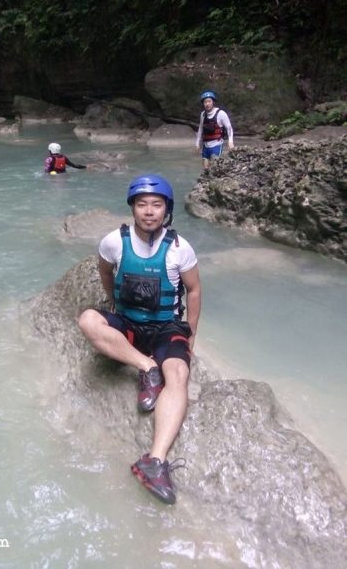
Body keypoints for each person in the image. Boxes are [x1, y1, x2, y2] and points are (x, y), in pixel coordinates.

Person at [78, 174, 201, 505]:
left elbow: (194, 289)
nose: (149, 211)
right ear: (133, 208)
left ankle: (154, 460)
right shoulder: (113, 242)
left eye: (156, 205)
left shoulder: (179, 248)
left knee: (178, 374)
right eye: (142, 204)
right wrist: (113, 302)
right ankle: (146, 367)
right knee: (88, 319)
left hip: (166, 327)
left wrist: (190, 332)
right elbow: (105, 271)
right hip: (129, 323)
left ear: (166, 210)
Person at [195, 90, 234, 170]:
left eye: (209, 101)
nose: (207, 104)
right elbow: (200, 129)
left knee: (214, 167)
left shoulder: (221, 113)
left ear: (213, 102)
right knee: (205, 169)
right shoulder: (203, 114)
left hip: (217, 144)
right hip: (206, 145)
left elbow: (229, 128)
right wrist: (197, 143)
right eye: (205, 102)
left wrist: (230, 141)